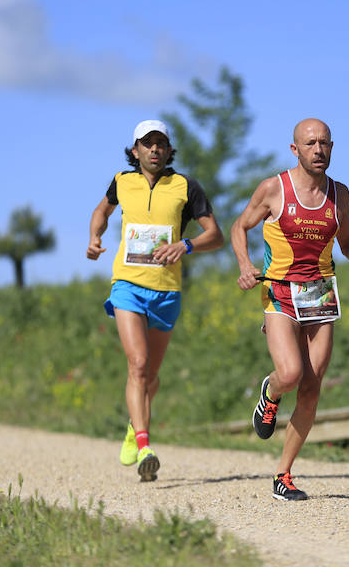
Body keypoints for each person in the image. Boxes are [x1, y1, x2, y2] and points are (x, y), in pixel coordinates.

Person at [230, 118, 349, 500]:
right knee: (291, 373)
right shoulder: (273, 189)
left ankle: (283, 474)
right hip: (279, 290)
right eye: (310, 143)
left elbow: (347, 245)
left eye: (324, 143)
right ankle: (271, 391)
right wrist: (245, 266)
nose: (318, 150)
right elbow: (239, 227)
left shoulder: (340, 194)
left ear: (332, 148)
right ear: (295, 150)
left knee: (311, 389)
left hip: (319, 293)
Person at [87, 119, 223, 482]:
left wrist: (186, 245)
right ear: (135, 151)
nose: (154, 149)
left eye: (161, 143)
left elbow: (215, 235)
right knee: (138, 364)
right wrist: (94, 238)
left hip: (166, 291)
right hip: (127, 285)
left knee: (151, 377)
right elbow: (101, 212)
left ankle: (135, 427)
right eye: (147, 143)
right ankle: (145, 446)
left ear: (169, 149)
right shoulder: (121, 181)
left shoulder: (186, 186)